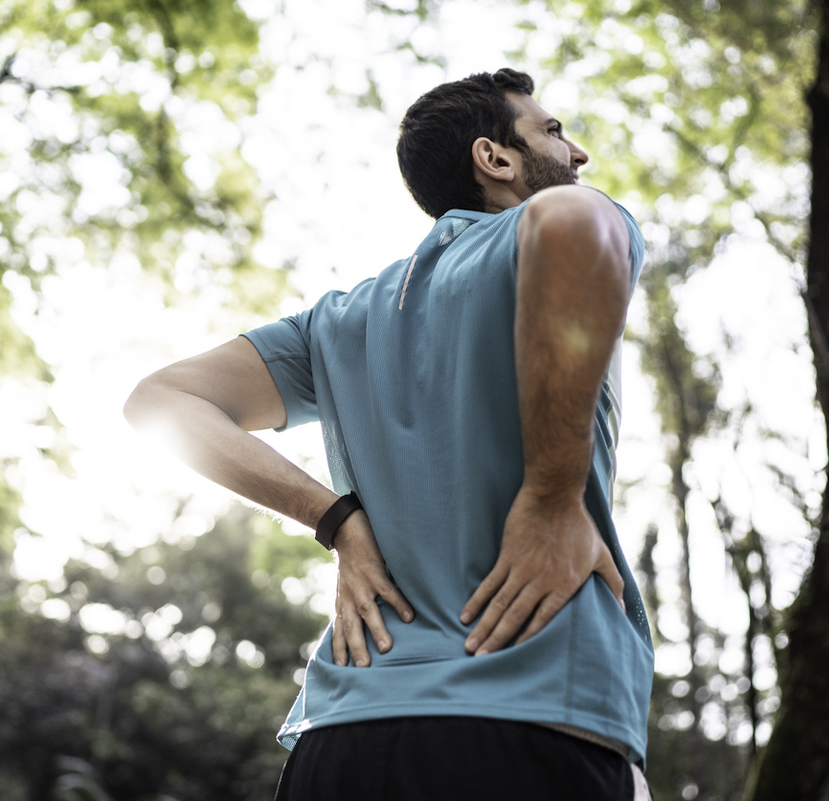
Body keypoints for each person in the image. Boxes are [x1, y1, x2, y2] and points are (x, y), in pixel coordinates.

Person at [125, 68, 654, 800]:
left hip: (343, 739)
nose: (578, 157)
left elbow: (161, 402)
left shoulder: (338, 319)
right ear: (493, 158)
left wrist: (336, 521)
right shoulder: (552, 225)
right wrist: (552, 497)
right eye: (553, 132)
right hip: (530, 713)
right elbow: (579, 222)